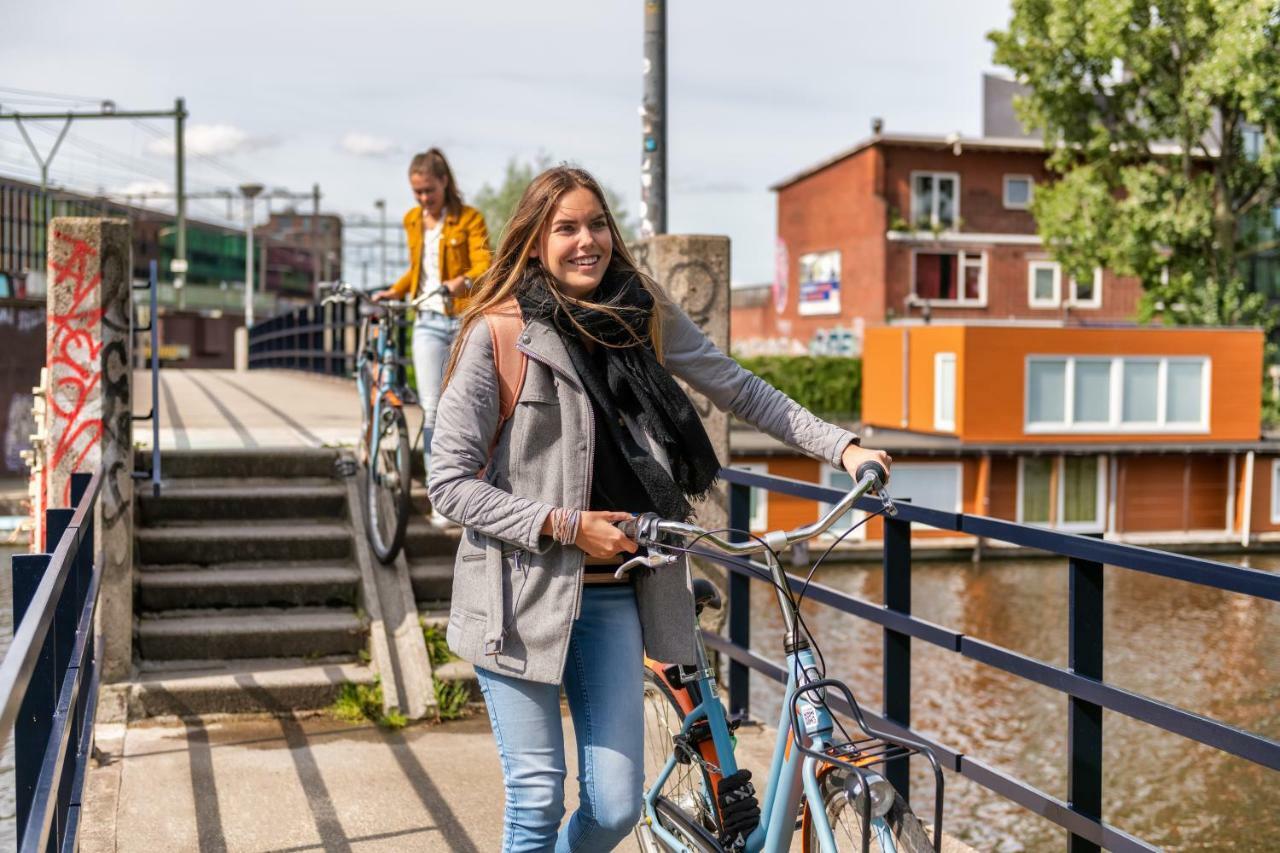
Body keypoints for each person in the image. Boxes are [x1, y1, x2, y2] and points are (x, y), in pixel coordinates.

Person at [427, 165, 891, 852]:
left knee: (615, 809)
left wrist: (842, 445)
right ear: (533, 242)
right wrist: (564, 525)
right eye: (566, 228)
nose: (586, 241)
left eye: (596, 225)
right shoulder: (498, 334)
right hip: (518, 595)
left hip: (616, 593)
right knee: (535, 800)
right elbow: (447, 482)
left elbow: (735, 384)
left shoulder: (636, 310)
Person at [375, 148, 491, 505]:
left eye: (429, 190)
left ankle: (475, 485)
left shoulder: (469, 218)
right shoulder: (412, 219)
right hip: (426, 320)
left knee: (471, 404)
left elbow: (485, 264)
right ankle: (439, 492)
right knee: (433, 406)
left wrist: (462, 281)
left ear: (444, 182)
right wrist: (395, 290)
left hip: (461, 319)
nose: (424, 199)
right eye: (418, 192)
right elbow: (420, 269)